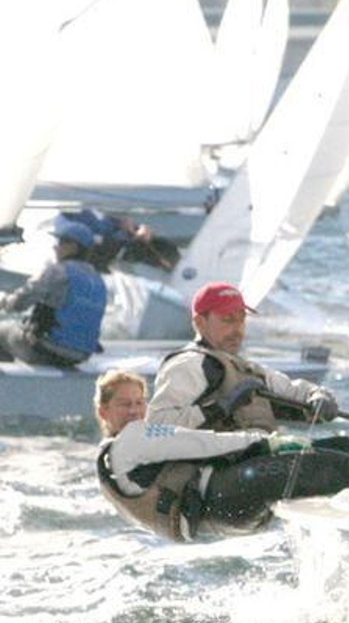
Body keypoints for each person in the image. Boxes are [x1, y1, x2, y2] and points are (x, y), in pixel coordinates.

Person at [143, 282, 349, 534]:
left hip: (251, 467)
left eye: (241, 319)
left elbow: (293, 390)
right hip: (214, 487)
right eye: (227, 319)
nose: (237, 328)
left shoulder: (242, 366)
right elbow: (156, 429)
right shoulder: (187, 365)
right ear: (200, 323)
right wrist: (221, 407)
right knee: (338, 468)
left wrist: (317, 397)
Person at [93, 370, 311, 541]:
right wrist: (264, 441)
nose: (134, 411)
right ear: (103, 411)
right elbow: (201, 443)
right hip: (228, 498)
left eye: (139, 402)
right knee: (324, 456)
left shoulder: (106, 459)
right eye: (124, 404)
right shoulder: (134, 436)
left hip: (218, 523)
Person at [0, 216, 107, 368]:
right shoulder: (99, 280)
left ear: (74, 247)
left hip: (48, 349)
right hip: (80, 355)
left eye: (61, 242)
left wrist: (4, 301)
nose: (56, 247)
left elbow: (20, 302)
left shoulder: (58, 271)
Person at [65, 207, 180, 273]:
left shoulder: (91, 212)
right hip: (121, 253)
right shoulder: (77, 226)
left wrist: (132, 227)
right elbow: (108, 245)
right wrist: (132, 233)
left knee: (161, 246)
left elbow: (117, 224)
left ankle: (169, 263)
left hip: (127, 246)